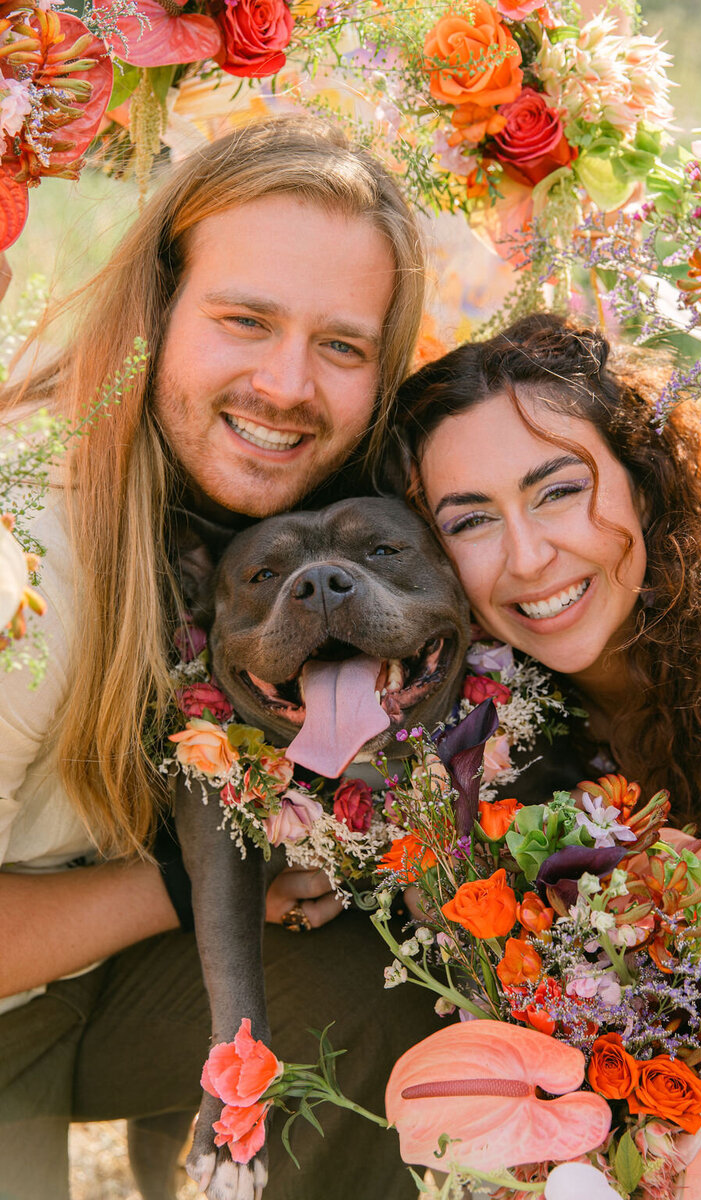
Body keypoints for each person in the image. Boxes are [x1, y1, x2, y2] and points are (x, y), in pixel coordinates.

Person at [0, 115, 438, 1200]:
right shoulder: (29, 557)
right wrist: (186, 888)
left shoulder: (308, 506)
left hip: (95, 982)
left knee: (401, 981)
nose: (288, 385)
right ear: (154, 312)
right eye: (245, 320)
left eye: (340, 345)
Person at [393, 310, 701, 1198]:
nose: (530, 556)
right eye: (471, 522)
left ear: (645, 486)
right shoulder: (502, 772)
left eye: (557, 490)